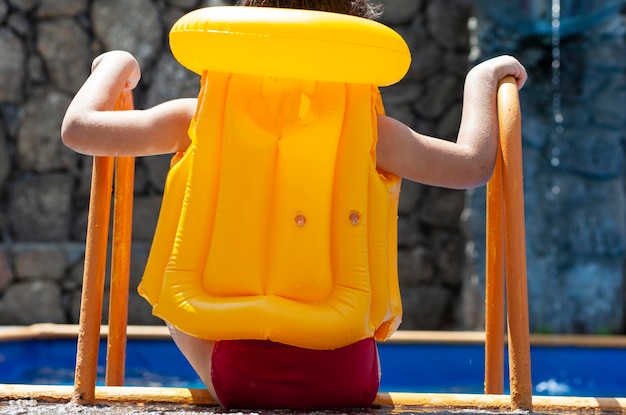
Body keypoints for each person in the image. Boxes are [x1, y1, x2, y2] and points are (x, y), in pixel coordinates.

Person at [62, 0, 527, 409]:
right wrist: (482, 79)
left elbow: (80, 130)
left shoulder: (197, 116)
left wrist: (115, 64)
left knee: (176, 296)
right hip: (348, 376)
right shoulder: (371, 132)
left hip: (237, 376)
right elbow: (471, 166)